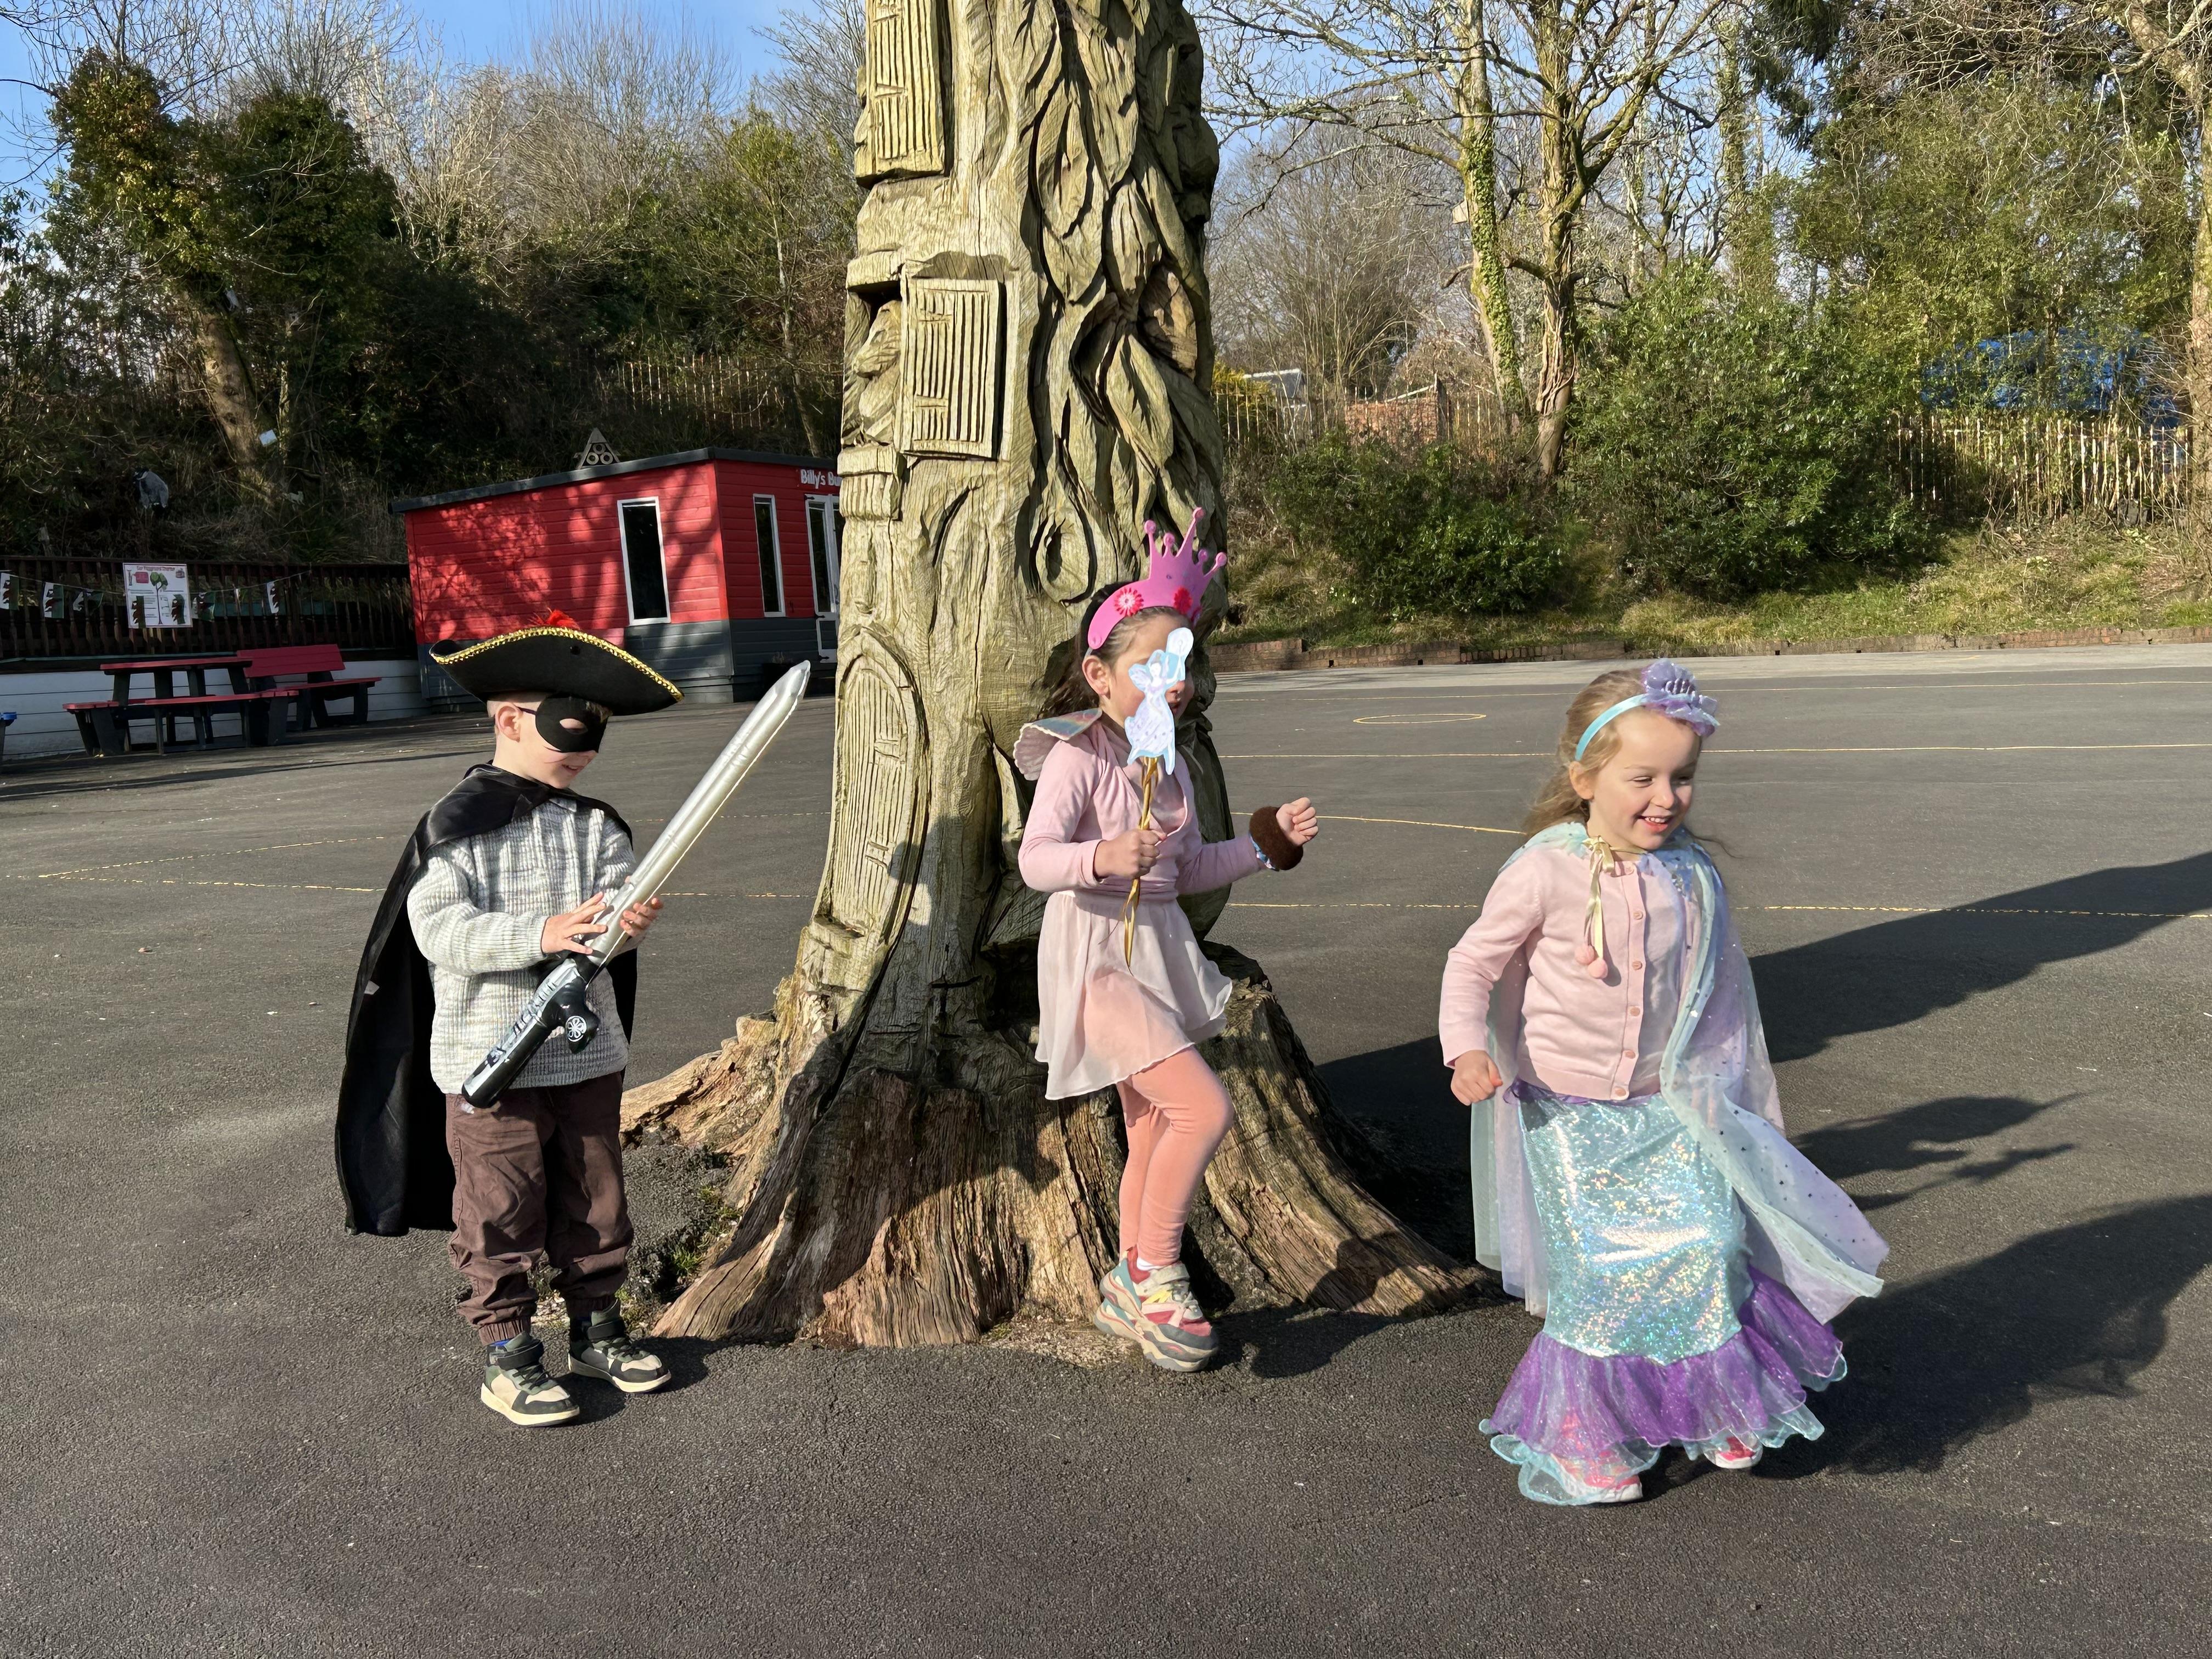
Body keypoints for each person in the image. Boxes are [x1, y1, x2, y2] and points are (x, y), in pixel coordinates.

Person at [1438, 661, 1888, 1504]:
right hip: (1568, 1115)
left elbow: (1720, 995)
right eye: (1641, 778)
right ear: (1584, 779)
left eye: (1682, 778)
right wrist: (1466, 1049)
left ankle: (1715, 1401)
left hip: (1672, 1107)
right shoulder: (1544, 869)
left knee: (1709, 1249)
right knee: (1601, 1280)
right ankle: (1585, 1435)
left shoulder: (1691, 875)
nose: (1666, 798)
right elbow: (1472, 964)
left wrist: (1727, 1094)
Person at [337, 614, 682, 1427]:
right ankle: (509, 1352)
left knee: (597, 1198)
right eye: (570, 727)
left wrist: (625, 925)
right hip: (488, 1061)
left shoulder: (596, 826)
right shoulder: (455, 825)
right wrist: (539, 934)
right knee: (498, 1206)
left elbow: (613, 915)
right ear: (511, 721)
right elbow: (439, 932)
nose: (586, 748)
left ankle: (597, 1329)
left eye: (596, 732)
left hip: (586, 1055)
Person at [1015, 512, 1321, 1372]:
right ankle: (1158, 1273)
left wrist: (1263, 846)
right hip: (1097, 963)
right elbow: (1036, 861)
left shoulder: (1171, 764)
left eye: (1180, 666)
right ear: (1099, 677)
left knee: (1151, 1123)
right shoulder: (1078, 758)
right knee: (1202, 1108)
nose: (1173, 684)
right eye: (1151, 668)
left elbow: (1185, 873)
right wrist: (1102, 856)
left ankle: (1125, 1279)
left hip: (1157, 950)